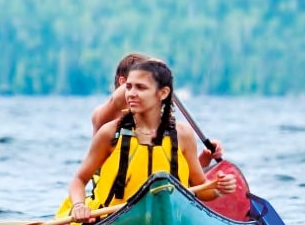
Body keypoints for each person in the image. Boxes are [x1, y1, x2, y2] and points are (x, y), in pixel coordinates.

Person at [63, 58, 237, 223]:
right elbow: (79, 180)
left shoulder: (183, 135)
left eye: (141, 88)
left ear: (163, 93)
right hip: (115, 222)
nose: (131, 94)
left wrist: (218, 189)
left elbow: (201, 188)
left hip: (170, 220)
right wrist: (79, 205)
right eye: (129, 87)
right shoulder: (110, 133)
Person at [90, 52, 223, 168]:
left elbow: (181, 177)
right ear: (123, 82)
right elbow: (115, 101)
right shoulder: (103, 118)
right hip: (111, 194)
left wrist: (205, 159)